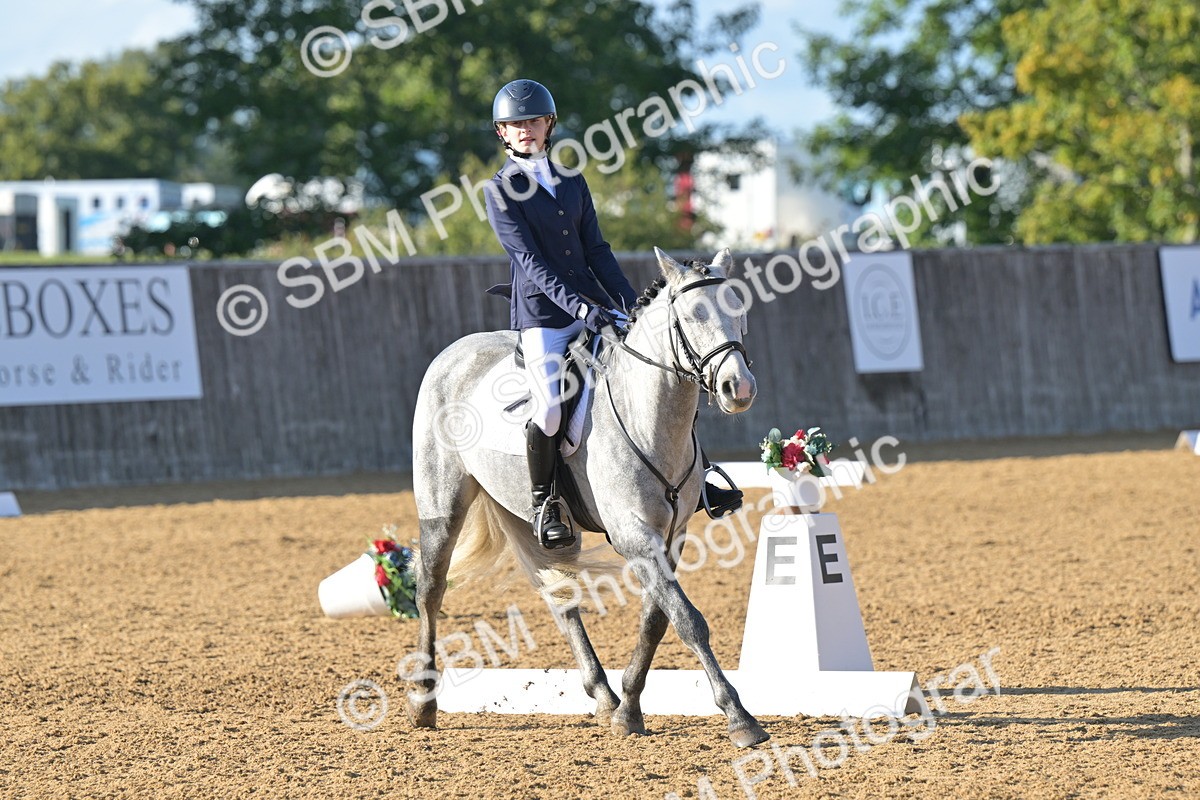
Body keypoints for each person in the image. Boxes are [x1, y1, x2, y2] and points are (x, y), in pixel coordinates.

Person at [483, 79, 741, 550]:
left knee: (664, 370)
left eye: (533, 121)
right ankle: (546, 502)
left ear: (548, 126)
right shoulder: (499, 191)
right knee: (547, 408)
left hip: (595, 307)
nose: (525, 130)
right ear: (503, 132)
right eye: (515, 124)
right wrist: (581, 307)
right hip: (543, 318)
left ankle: (696, 479)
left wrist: (631, 307)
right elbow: (531, 264)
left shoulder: (571, 181)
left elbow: (597, 252)